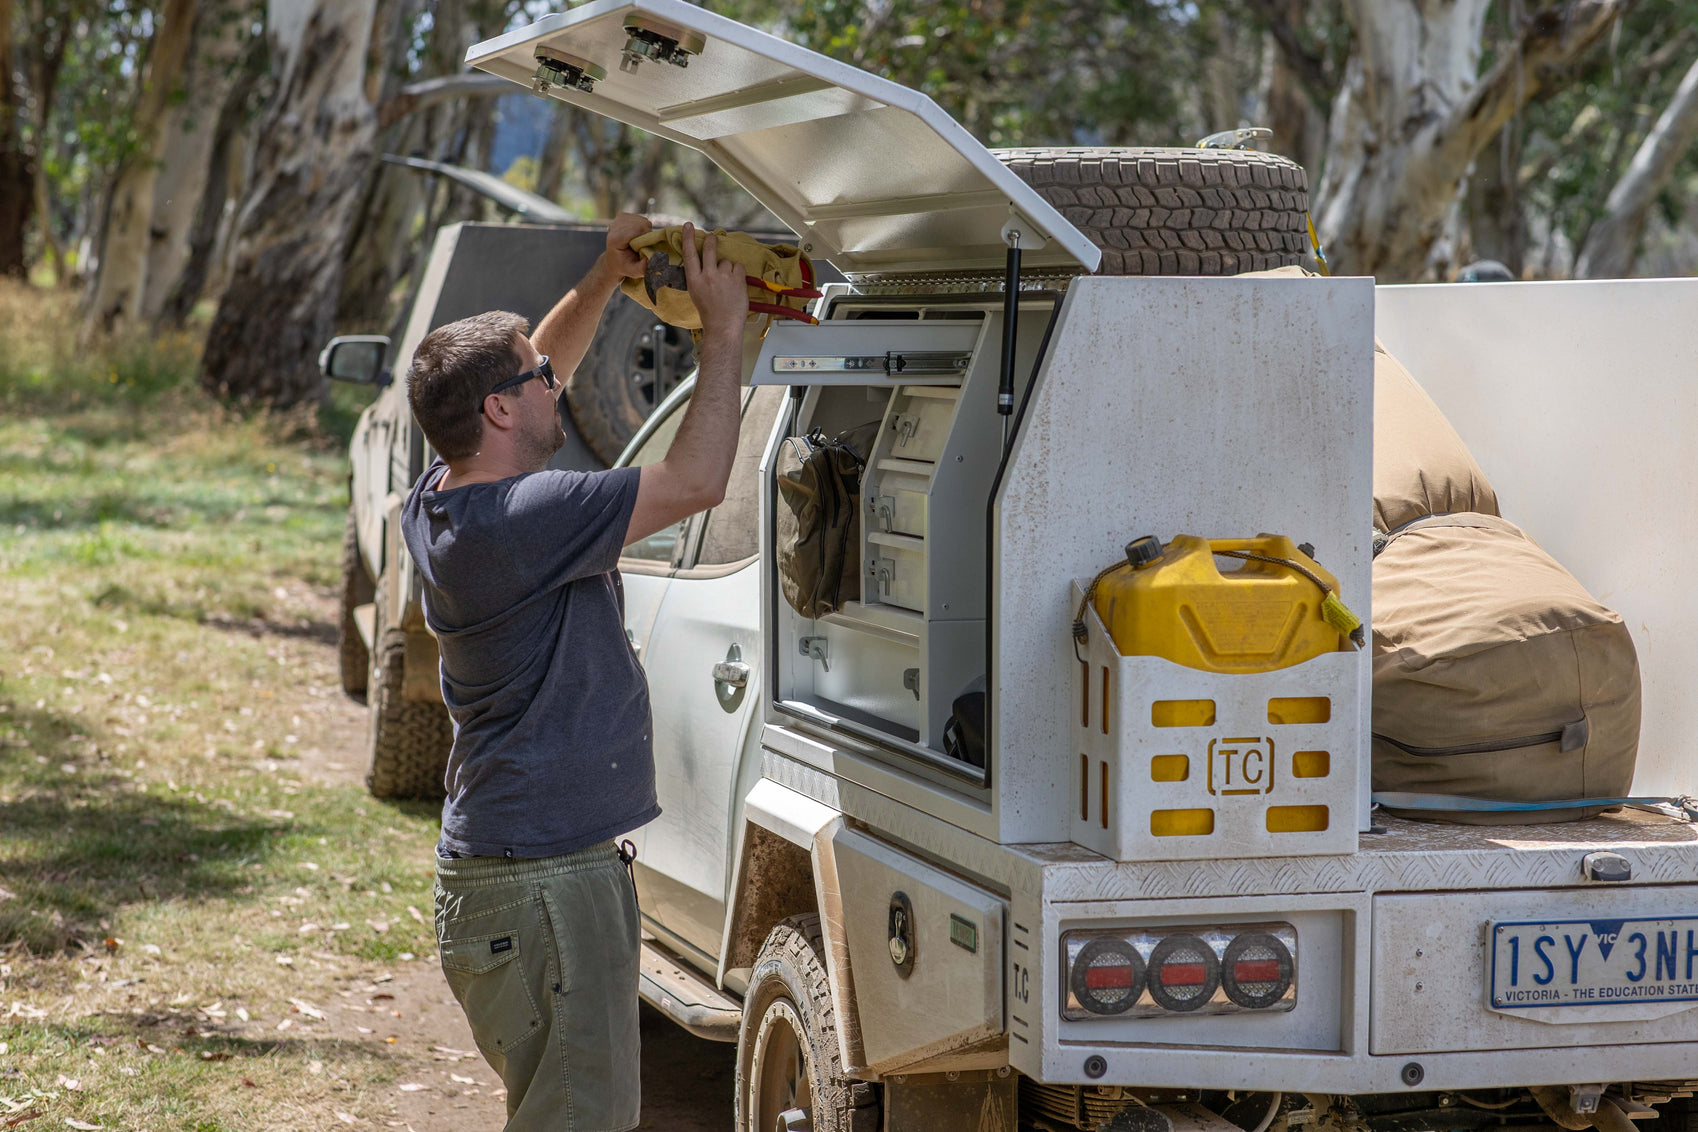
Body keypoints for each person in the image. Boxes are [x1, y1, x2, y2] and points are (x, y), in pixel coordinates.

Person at [398, 215, 750, 1132]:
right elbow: (698, 479)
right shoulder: (529, 516)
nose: (559, 386)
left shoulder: (438, 499)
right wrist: (722, 335)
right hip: (546, 886)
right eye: (538, 383)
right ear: (500, 414)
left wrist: (602, 278)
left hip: (508, 877)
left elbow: (525, 368)